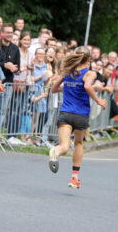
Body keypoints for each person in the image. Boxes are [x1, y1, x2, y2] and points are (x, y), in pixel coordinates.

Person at [48, 46, 107, 189]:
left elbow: (54, 89)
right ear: (89, 59)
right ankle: (74, 178)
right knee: (79, 143)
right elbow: (87, 86)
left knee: (64, 146)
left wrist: (69, 87)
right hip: (81, 114)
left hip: (65, 113)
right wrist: (98, 100)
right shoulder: (89, 73)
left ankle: (54, 152)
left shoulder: (67, 72)